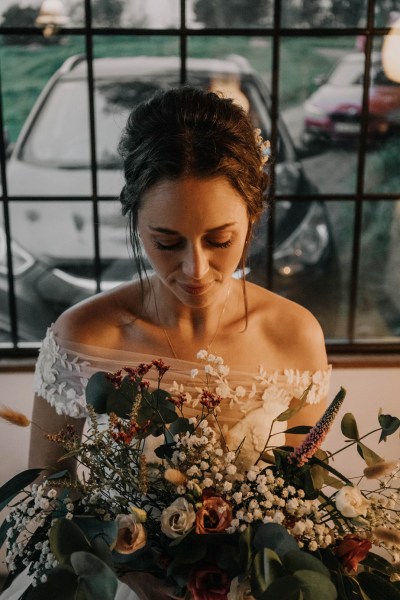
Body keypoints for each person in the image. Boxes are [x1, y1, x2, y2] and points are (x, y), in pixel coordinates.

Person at [1, 87, 330, 600]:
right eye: (167, 242)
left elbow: (297, 513)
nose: (196, 270)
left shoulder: (295, 336)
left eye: (220, 240)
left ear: (253, 215)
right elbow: (48, 504)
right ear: (134, 219)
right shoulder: (83, 337)